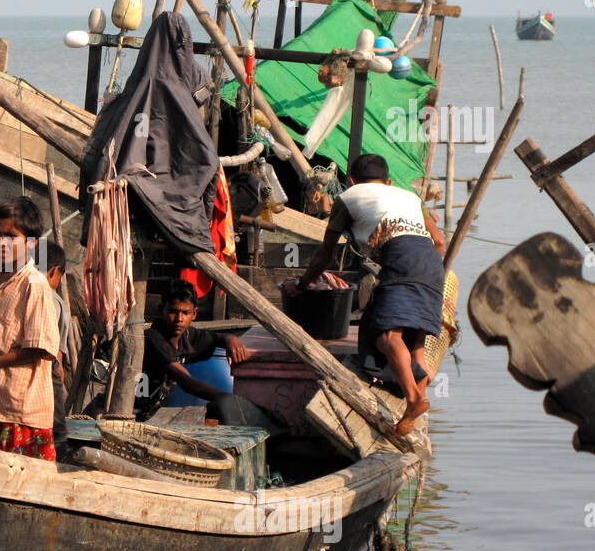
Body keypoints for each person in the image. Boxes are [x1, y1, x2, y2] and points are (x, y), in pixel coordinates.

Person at [285, 152, 445, 436]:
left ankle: (414, 400)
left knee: (387, 337)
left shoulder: (348, 198)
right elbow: (440, 240)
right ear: (389, 181)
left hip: (402, 261)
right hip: (432, 264)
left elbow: (325, 255)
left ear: (351, 180)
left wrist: (300, 285)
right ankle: (414, 415)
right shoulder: (408, 195)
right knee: (415, 343)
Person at [0, 198, 62, 461]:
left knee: (25, 483)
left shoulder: (34, 284)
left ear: (30, 242)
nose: (2, 243)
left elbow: (41, 349)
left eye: (11, 236)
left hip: (22, 411)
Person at [135, 279, 254, 422]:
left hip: (152, 412)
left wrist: (230, 340)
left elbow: (218, 337)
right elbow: (187, 383)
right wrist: (232, 400)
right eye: (173, 311)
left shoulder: (188, 336)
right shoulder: (153, 337)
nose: (179, 319)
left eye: (185, 313)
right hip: (133, 412)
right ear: (162, 310)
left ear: (194, 313)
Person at [42, 240, 71, 457]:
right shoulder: (56, 301)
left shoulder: (24, 291)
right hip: (48, 364)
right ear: (55, 272)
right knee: (56, 426)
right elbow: (58, 353)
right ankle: (58, 458)